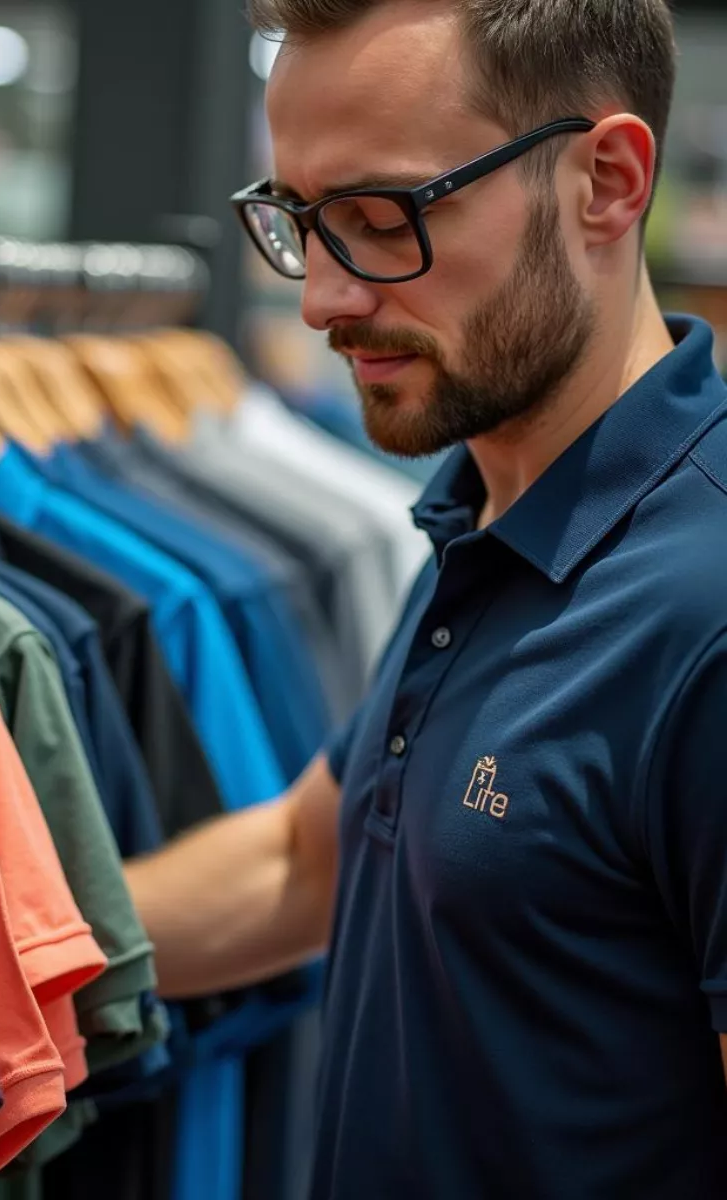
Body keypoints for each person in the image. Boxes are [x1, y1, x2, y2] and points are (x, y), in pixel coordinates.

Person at [125, 1, 727, 1196]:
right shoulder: (489, 510)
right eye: (302, 223)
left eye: (381, 219)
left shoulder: (702, 610)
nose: (320, 304)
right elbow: (307, 863)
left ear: (605, 183)